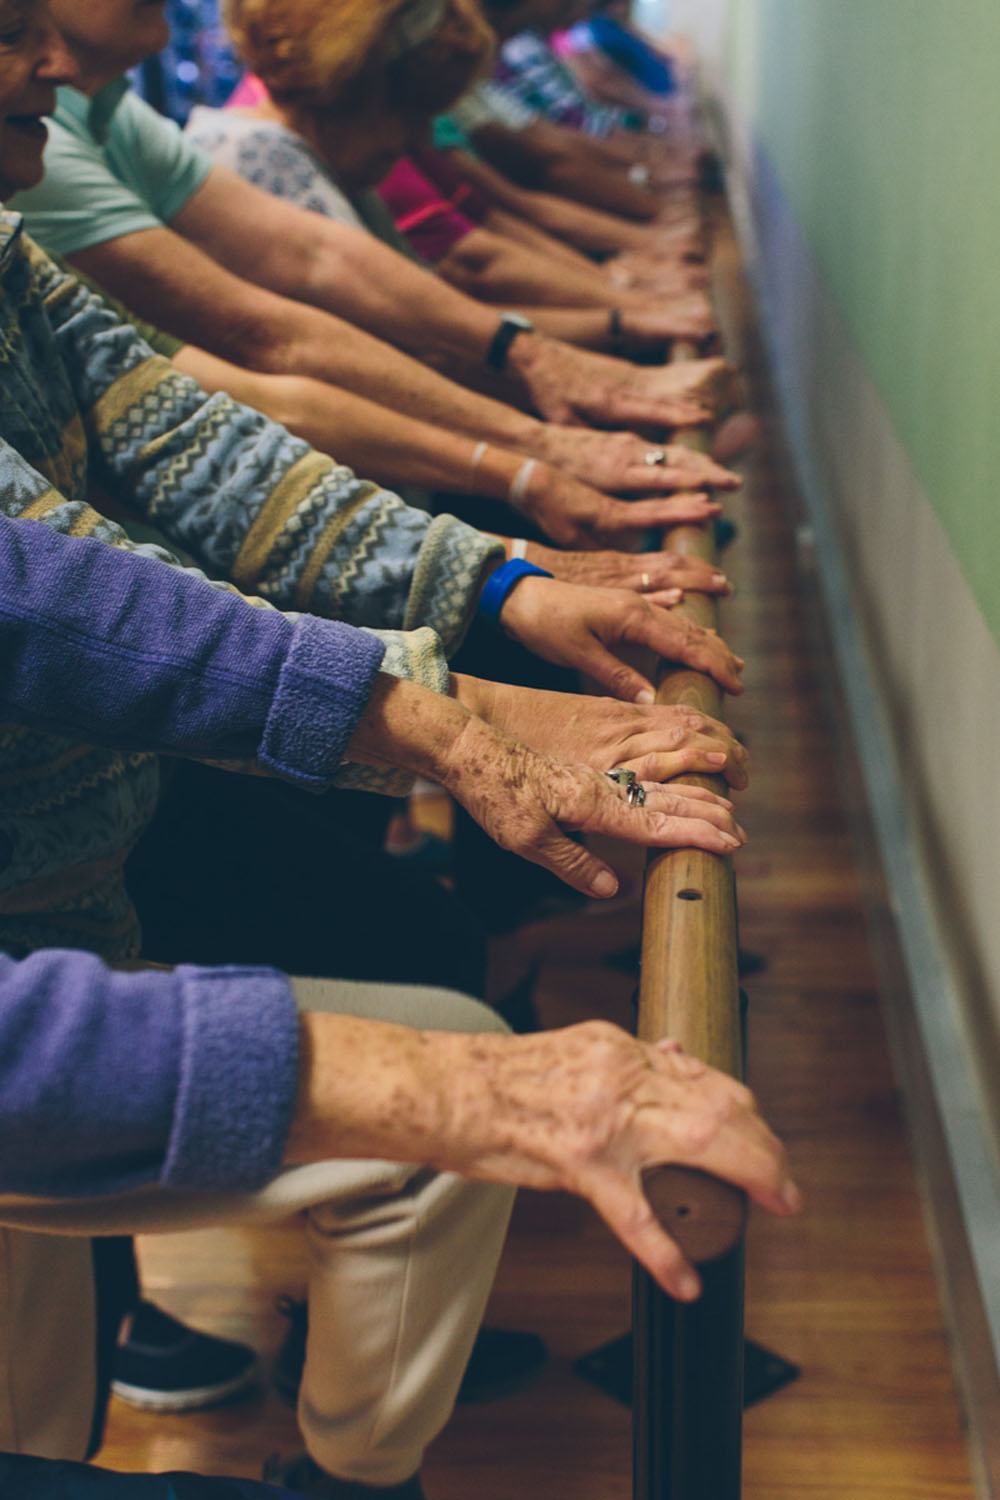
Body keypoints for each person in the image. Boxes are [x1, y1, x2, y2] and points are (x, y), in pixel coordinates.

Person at [12, 0, 739, 504]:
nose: (415, 144)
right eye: (14, 30)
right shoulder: (239, 146)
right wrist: (540, 454)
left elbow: (319, 259)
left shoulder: (94, 112)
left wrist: (569, 373)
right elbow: (269, 344)